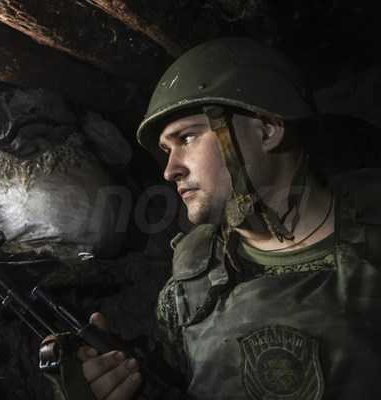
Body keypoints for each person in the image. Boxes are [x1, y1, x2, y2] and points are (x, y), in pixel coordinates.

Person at [70, 37, 381, 399]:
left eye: (187, 138)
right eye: (166, 150)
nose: (170, 170)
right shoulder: (189, 286)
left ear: (267, 129)